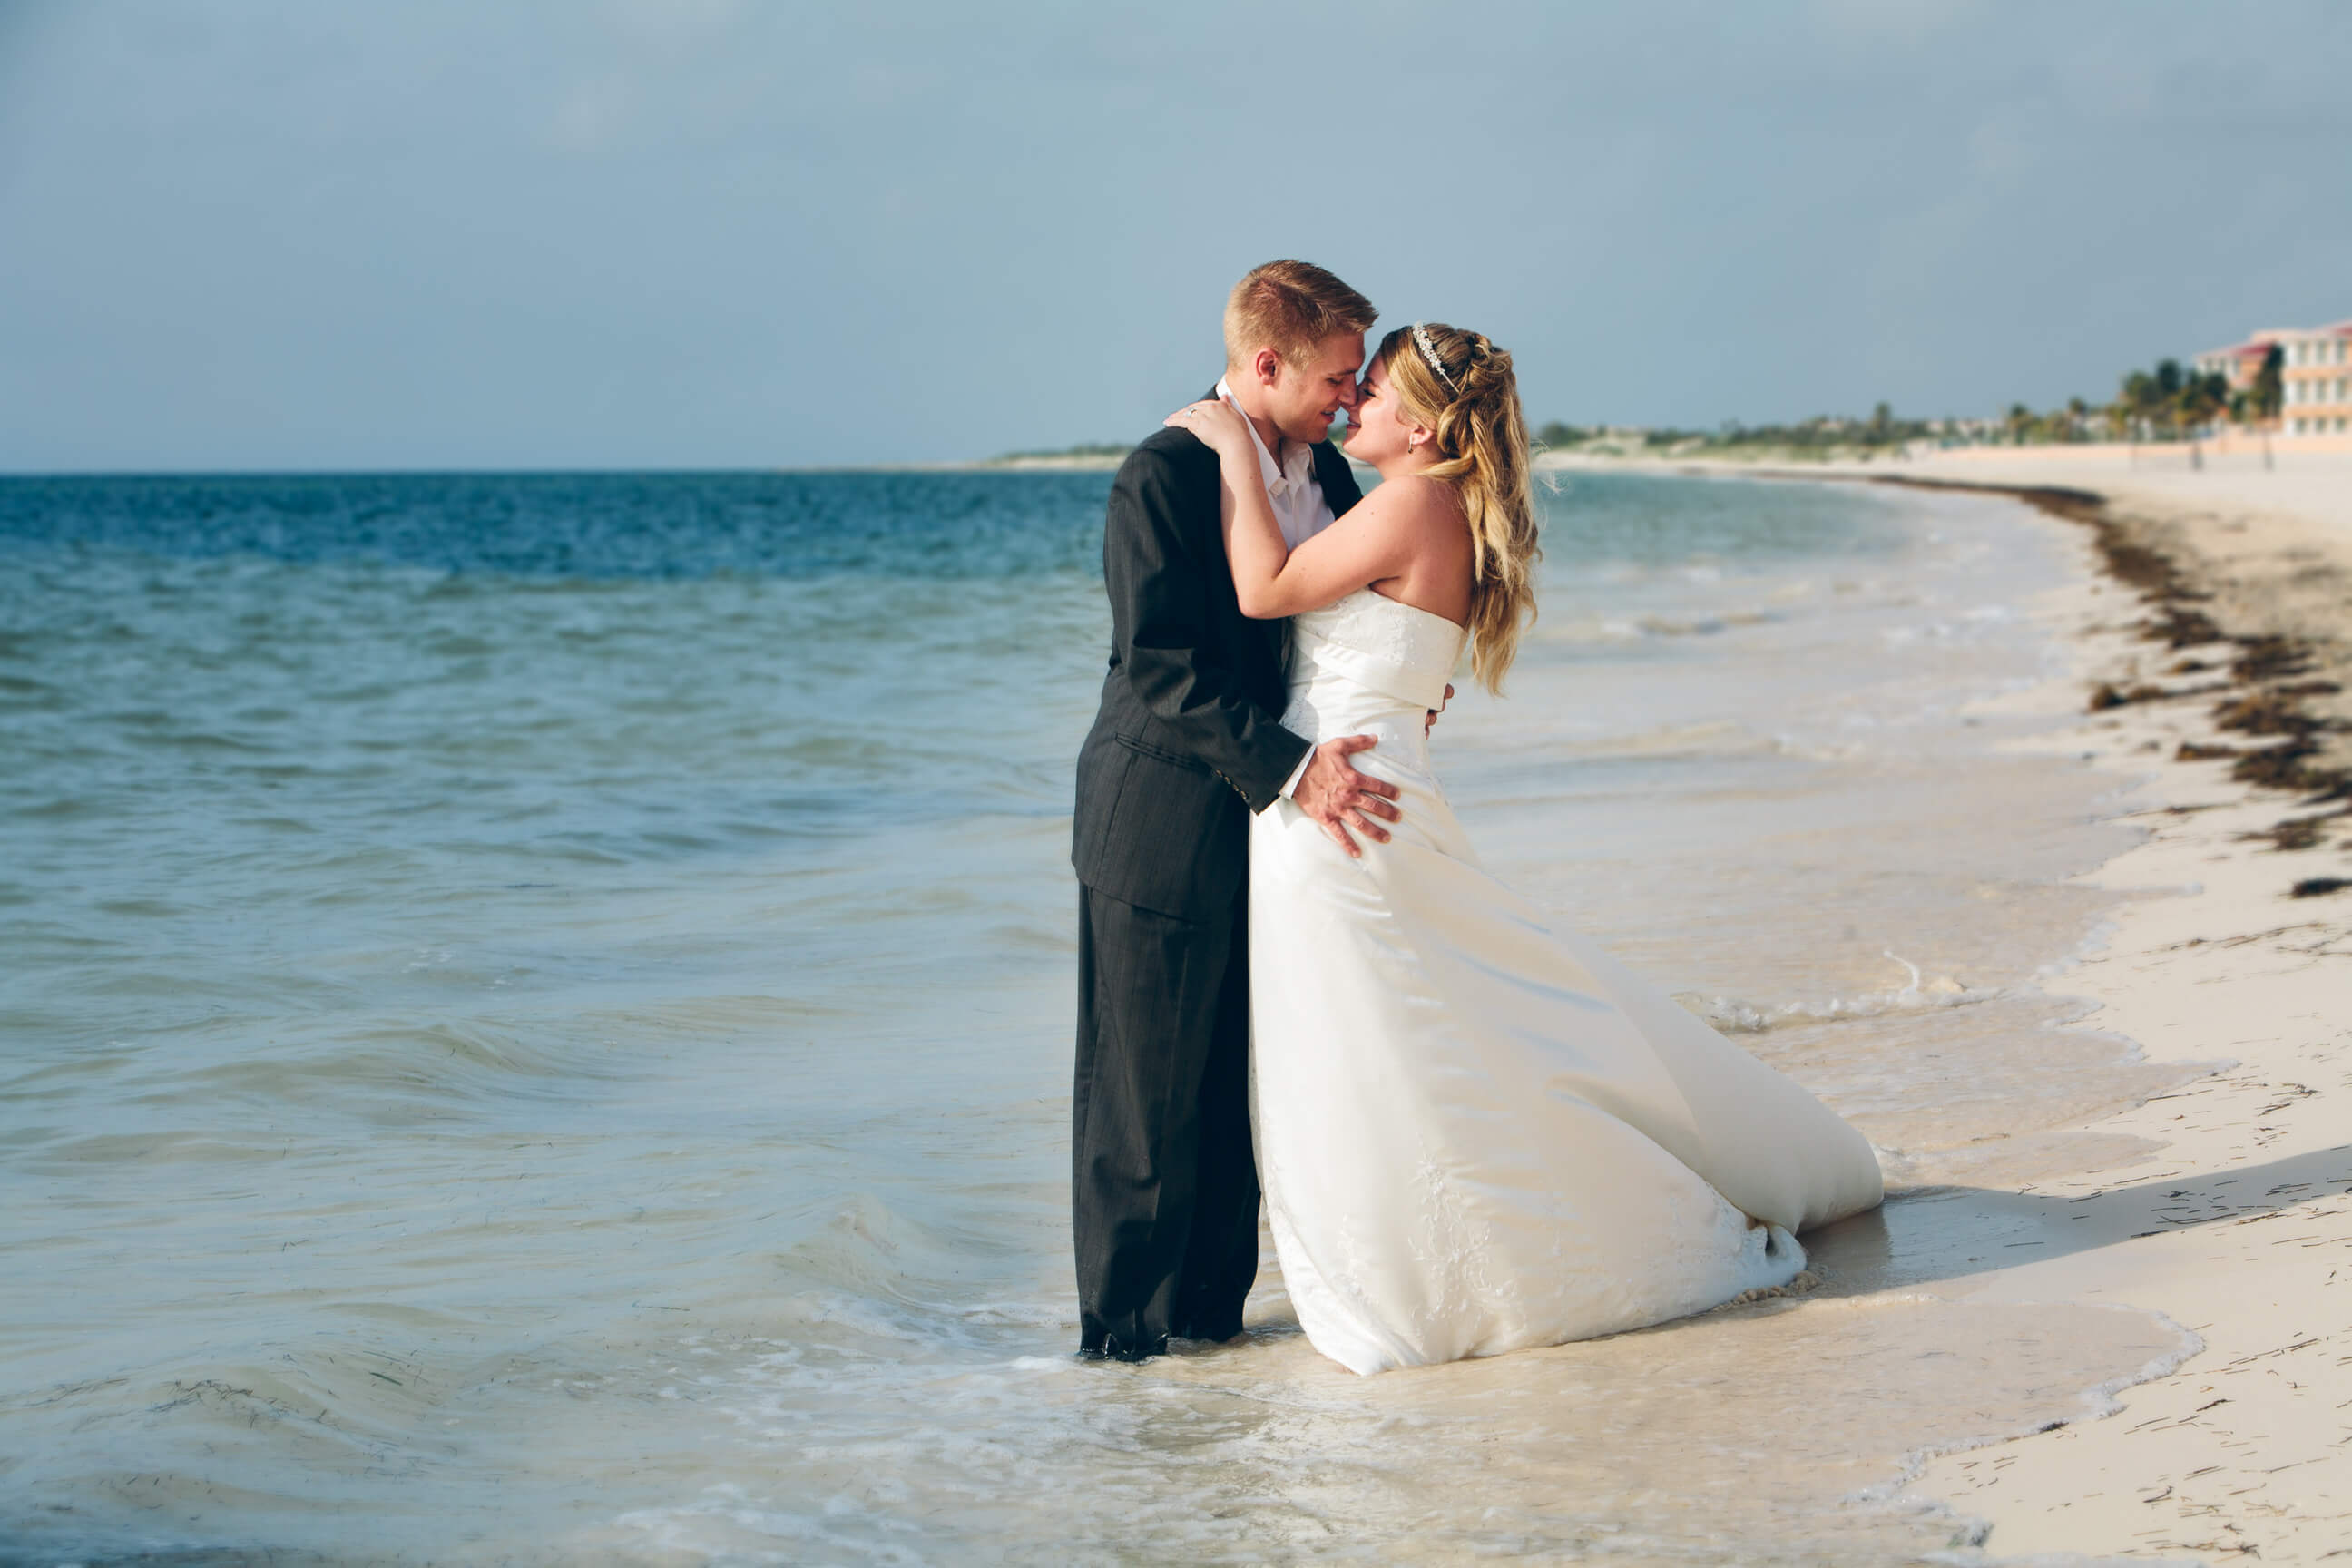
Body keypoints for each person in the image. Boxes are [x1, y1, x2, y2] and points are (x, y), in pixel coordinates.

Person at [1165, 322, 1885, 1375]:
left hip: (1346, 809)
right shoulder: (1427, 502)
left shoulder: (1412, 501)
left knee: (1390, 1037)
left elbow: (1266, 591)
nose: (1352, 400)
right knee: (1419, 1030)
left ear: (1419, 423)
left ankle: (1454, 1263)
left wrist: (1231, 446)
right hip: (1361, 792)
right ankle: (1441, 1246)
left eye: (1371, 389)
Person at [1068, 260, 1402, 1361]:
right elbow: (1163, 667)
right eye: (1337, 377)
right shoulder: (1161, 474)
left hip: (1266, 832)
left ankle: (1208, 1336)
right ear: (1268, 363)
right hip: (1157, 821)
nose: (1351, 399)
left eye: (1359, 380)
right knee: (1142, 1103)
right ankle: (1119, 1353)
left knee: (1226, 1096)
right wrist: (1299, 769)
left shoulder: (1329, 478)